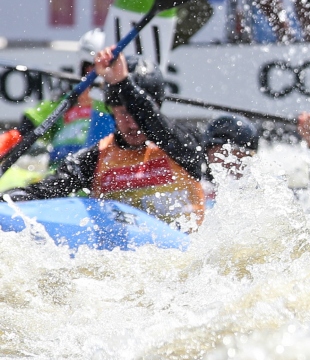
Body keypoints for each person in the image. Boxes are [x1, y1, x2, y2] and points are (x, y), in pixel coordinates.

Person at [5, 49, 209, 232]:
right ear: (111, 111)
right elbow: (44, 191)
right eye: (123, 113)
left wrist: (123, 83)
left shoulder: (183, 143)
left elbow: (160, 128)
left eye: (138, 114)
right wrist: (7, 201)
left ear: (154, 109)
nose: (132, 123)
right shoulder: (95, 157)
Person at [0, 29, 115, 190]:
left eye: (104, 68)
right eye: (90, 67)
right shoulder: (60, 105)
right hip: (57, 188)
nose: (95, 73)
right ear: (80, 67)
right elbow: (19, 135)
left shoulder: (118, 108)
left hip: (97, 188)